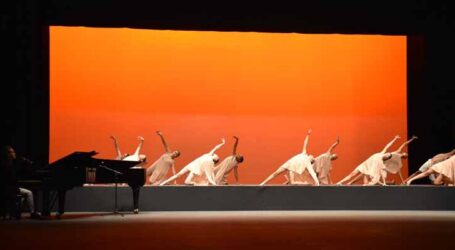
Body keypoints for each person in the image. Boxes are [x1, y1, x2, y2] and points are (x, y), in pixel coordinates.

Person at [160, 139, 225, 186]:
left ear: (215, 159)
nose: (215, 154)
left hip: (195, 169)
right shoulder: (209, 155)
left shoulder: (210, 162)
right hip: (192, 165)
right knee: (179, 174)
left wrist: (214, 183)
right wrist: (222, 143)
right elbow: (215, 148)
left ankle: (194, 183)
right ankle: (164, 182)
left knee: (187, 181)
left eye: (216, 156)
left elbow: (211, 173)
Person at [0, 145, 40, 219]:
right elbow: (11, 179)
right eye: (13, 152)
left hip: (8, 188)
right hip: (9, 189)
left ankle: (16, 213)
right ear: (8, 154)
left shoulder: (8, 164)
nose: (14, 153)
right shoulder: (8, 165)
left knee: (24, 195)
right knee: (29, 193)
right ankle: (31, 213)